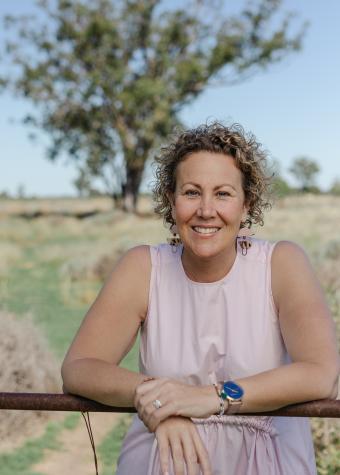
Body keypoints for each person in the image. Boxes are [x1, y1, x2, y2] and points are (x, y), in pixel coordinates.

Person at [61, 122, 339, 475]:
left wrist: (213, 397)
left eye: (223, 194)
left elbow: (321, 374)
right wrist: (162, 403)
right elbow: (79, 368)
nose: (206, 210)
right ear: (171, 200)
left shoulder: (281, 263)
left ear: (246, 203)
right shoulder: (143, 267)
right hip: (161, 462)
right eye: (192, 192)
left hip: (268, 463)